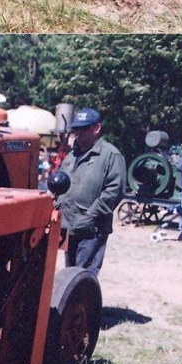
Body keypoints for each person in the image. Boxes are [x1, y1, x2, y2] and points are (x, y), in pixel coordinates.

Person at [58, 107, 126, 276]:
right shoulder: (72, 155)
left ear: (96, 128)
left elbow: (114, 192)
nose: (78, 134)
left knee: (83, 275)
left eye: (83, 129)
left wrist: (90, 216)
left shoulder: (111, 156)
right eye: (76, 130)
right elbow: (61, 183)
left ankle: (83, 303)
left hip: (91, 229)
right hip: (69, 226)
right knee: (70, 274)